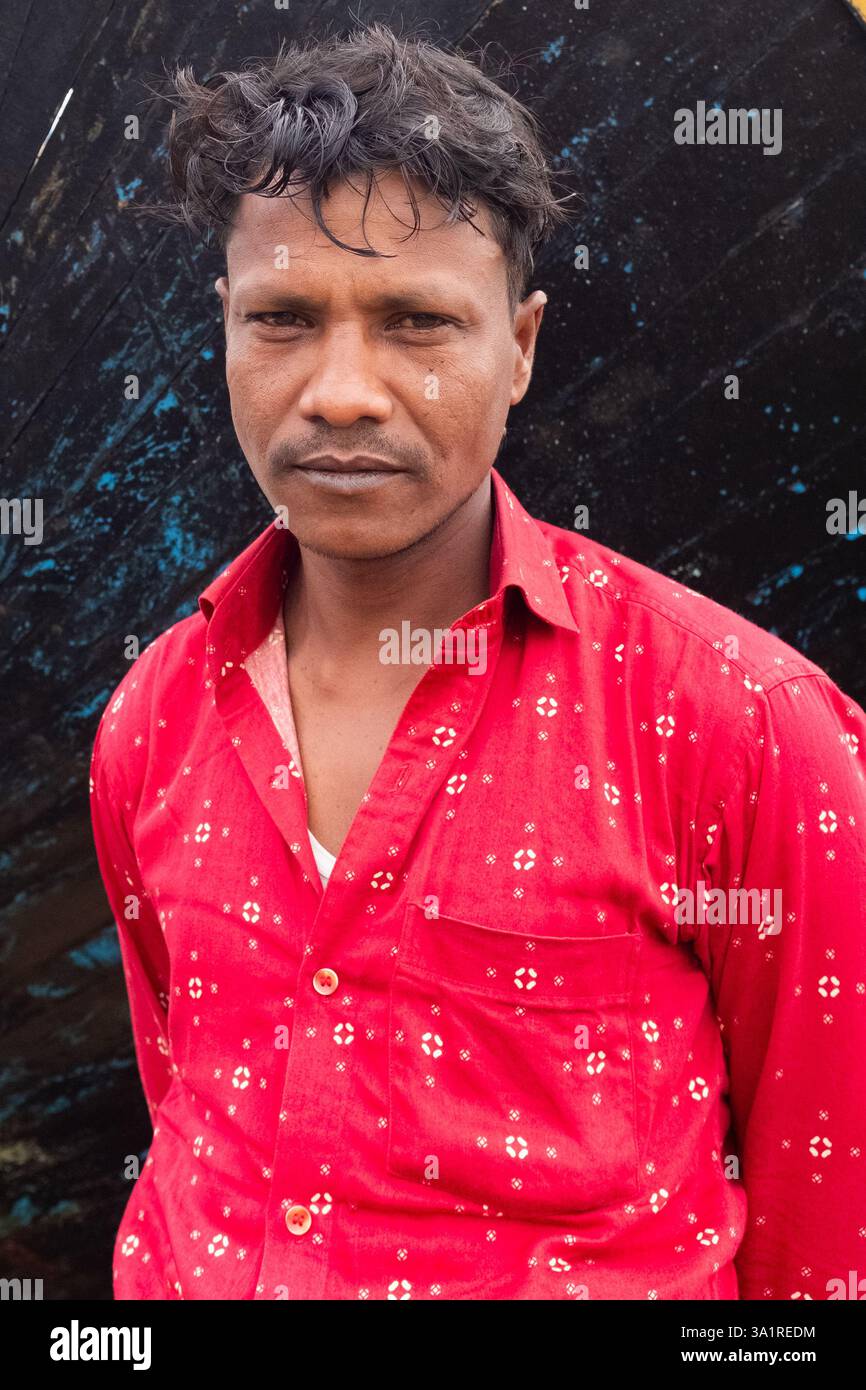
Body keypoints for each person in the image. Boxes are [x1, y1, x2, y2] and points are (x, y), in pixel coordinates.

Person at [90, 21, 866, 1301]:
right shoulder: (151, 717)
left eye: (414, 321)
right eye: (283, 318)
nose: (341, 390)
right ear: (223, 329)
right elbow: (184, 1097)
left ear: (521, 345)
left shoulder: (741, 725)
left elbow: (831, 1220)